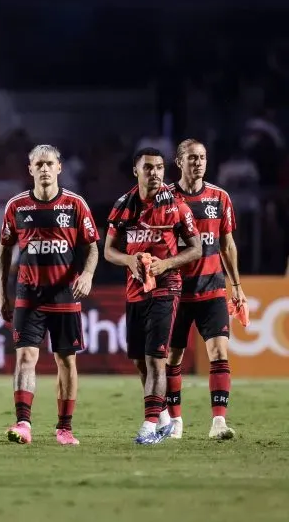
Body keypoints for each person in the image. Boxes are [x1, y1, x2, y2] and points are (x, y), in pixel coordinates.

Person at [0, 145, 99, 446]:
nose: (44, 168)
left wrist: (89, 274)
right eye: (38, 164)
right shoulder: (17, 207)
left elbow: (92, 245)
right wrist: (3, 292)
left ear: (59, 168)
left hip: (65, 295)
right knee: (26, 357)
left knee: (66, 360)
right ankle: (23, 423)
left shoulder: (75, 204)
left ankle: (65, 428)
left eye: (49, 163)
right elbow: (4, 249)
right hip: (29, 296)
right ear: (30, 170)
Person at [104, 147, 202, 445]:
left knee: (156, 357)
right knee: (139, 361)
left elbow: (196, 248)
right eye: (148, 167)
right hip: (135, 291)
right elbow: (109, 250)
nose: (155, 173)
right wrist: (129, 260)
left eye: (159, 167)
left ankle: (148, 426)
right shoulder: (123, 207)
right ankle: (162, 418)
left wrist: (166, 264)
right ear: (136, 171)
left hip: (166, 288)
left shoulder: (176, 207)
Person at [165, 139, 243, 440]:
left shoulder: (219, 197)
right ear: (179, 162)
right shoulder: (165, 198)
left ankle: (219, 422)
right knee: (173, 357)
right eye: (192, 158)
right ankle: (175, 422)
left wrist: (236, 285)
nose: (198, 162)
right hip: (175, 291)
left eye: (202, 157)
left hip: (212, 288)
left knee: (219, 351)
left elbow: (227, 244)